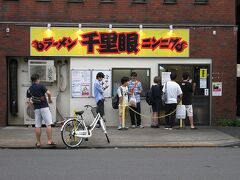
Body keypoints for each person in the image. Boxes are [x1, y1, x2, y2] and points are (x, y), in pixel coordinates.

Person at [26, 73, 55, 148]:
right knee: (48, 124)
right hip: (44, 107)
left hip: (37, 109)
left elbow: (29, 101)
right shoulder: (41, 86)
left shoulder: (29, 89)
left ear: (32, 80)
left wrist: (33, 105)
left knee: (37, 125)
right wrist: (50, 99)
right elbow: (49, 93)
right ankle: (49, 141)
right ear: (37, 79)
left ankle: (38, 142)